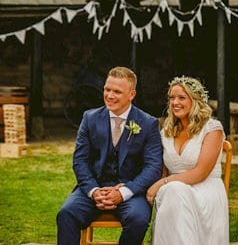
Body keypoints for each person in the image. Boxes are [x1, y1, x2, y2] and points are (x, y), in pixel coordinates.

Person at [57, 67, 163, 245]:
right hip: (94, 188)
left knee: (138, 219)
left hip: (131, 191)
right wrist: (94, 191)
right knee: (67, 214)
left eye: (117, 92)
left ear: (131, 94)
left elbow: (153, 166)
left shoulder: (148, 123)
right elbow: (80, 160)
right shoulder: (89, 118)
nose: (110, 95)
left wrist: (123, 192)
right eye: (107, 89)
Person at [145, 76, 228, 244]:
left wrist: (163, 184)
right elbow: (163, 172)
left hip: (205, 190)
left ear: (195, 101)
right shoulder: (165, 132)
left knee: (173, 190)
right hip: (172, 194)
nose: (175, 102)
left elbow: (200, 173)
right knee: (173, 192)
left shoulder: (212, 129)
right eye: (172, 98)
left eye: (182, 97)